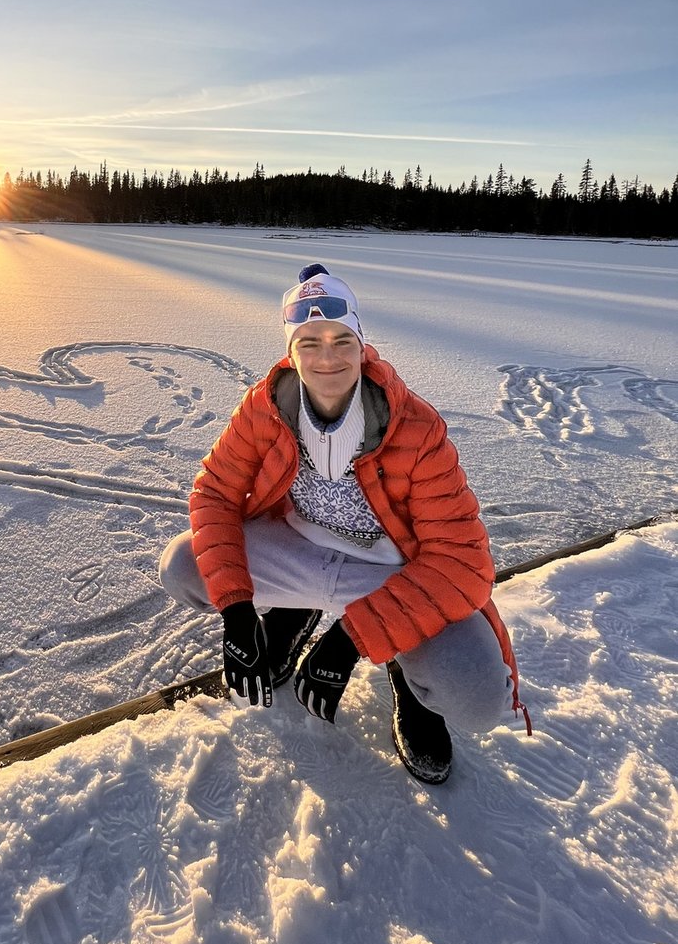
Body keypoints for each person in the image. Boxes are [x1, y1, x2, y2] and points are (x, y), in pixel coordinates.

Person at [159, 263, 530, 784]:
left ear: (361, 344)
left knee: (476, 698)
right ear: (290, 352)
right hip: (300, 551)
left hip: (388, 573)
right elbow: (215, 492)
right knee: (183, 564)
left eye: (341, 339)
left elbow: (463, 563)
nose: (326, 357)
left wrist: (353, 638)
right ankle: (290, 617)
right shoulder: (266, 407)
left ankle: (408, 683)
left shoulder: (413, 426)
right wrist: (238, 612)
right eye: (308, 343)